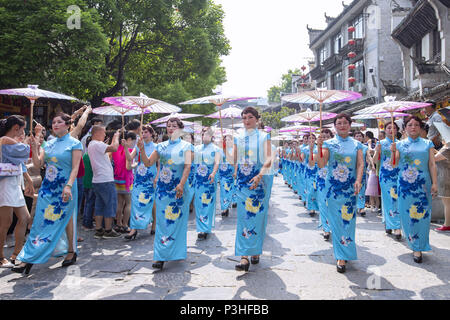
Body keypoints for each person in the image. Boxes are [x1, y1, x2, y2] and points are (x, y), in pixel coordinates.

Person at [12, 113, 82, 274]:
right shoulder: (49, 143)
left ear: (67, 124)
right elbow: (38, 163)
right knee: (39, 221)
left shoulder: (75, 143)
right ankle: (28, 257)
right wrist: (35, 146)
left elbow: (75, 168)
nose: (55, 124)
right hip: (48, 188)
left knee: (68, 219)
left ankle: (71, 251)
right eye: (53, 122)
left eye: (59, 122)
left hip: (66, 187)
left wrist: (69, 186)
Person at [139, 118, 192, 270]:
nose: (170, 128)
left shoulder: (187, 146)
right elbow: (148, 163)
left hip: (179, 189)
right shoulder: (160, 146)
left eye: (174, 126)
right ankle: (160, 255)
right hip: (162, 190)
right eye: (169, 126)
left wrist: (181, 184)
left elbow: (187, 167)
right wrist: (142, 149)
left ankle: (175, 251)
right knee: (163, 222)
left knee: (176, 221)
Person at [316, 113, 363, 273]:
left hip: (350, 188)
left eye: (345, 123)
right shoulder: (328, 144)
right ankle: (340, 256)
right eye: (339, 123)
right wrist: (318, 147)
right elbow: (321, 164)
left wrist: (358, 180)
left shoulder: (357, 144)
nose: (342, 125)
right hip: (334, 188)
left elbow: (360, 165)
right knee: (336, 221)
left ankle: (347, 250)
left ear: (350, 125)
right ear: (335, 126)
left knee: (349, 220)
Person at [391, 115, 438, 263]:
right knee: (407, 215)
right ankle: (414, 245)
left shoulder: (428, 143)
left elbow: (432, 164)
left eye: (416, 125)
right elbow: (394, 165)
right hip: (405, 184)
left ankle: (420, 245)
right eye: (410, 125)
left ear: (420, 127)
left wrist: (435, 183)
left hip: (423, 184)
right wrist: (393, 152)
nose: (413, 127)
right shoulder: (399, 144)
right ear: (405, 128)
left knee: (424, 215)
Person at [231, 107, 272, 272]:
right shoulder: (238, 137)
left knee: (257, 218)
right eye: (244, 118)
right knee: (243, 217)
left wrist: (260, 176)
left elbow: (269, 159)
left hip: (259, 183)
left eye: (249, 117)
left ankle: (255, 250)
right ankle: (243, 257)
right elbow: (233, 159)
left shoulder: (264, 137)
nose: (246, 120)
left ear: (256, 119)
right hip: (242, 183)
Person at [0, 116, 34, 268]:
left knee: (24, 218)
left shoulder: (10, 141)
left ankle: (16, 253)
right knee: (5, 222)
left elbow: (21, 163)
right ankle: (1, 257)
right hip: (5, 184)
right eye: (22, 128)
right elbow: (24, 152)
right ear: (16, 128)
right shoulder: (6, 140)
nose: (23, 132)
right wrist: (26, 142)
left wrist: (29, 180)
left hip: (13, 183)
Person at [124, 126, 159, 240]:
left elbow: (159, 165)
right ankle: (134, 228)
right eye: (142, 132)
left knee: (152, 201)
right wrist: (125, 147)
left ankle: (154, 224)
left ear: (151, 134)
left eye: (146, 132)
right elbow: (130, 158)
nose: (143, 134)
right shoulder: (138, 146)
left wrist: (157, 177)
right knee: (135, 201)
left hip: (151, 178)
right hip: (139, 178)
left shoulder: (156, 147)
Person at [88, 125, 121, 239]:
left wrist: (110, 142)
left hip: (97, 179)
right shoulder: (97, 144)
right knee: (110, 204)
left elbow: (108, 154)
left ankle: (99, 229)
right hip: (105, 179)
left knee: (100, 204)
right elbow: (114, 148)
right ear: (97, 133)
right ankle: (108, 229)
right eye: (103, 132)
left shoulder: (92, 145)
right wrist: (116, 137)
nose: (104, 135)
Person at [373, 121, 401, 239]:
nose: (391, 130)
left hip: (399, 175)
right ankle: (395, 226)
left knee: (398, 200)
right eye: (389, 128)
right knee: (389, 199)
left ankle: (390, 223)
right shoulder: (381, 143)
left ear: (397, 130)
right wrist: (378, 151)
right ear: (385, 130)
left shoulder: (401, 144)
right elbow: (374, 160)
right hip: (385, 176)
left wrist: (395, 151)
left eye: (394, 128)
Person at [193, 127, 220, 240]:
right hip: (198, 180)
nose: (205, 136)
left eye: (207, 134)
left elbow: (217, 162)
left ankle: (206, 227)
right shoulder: (196, 148)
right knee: (199, 204)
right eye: (203, 134)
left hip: (209, 179)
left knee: (208, 203)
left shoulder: (216, 149)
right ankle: (201, 228)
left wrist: (213, 173)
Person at [112, 131, 136, 234]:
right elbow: (128, 166)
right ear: (129, 140)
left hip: (117, 179)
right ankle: (125, 224)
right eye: (133, 141)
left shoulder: (115, 150)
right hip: (126, 180)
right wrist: (136, 164)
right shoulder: (129, 150)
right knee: (128, 203)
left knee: (119, 203)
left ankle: (118, 223)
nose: (134, 143)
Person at [315, 129, 333, 240]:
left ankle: (332, 225)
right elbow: (316, 163)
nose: (325, 138)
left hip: (334, 180)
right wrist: (317, 147)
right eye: (323, 136)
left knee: (331, 204)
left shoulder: (336, 149)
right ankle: (326, 228)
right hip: (321, 180)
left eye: (327, 136)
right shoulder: (319, 149)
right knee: (322, 204)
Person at [218, 134, 236, 217]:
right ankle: (224, 208)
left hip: (230, 173)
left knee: (229, 190)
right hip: (222, 173)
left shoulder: (234, 150)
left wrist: (235, 171)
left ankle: (228, 205)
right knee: (223, 191)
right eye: (226, 140)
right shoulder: (220, 150)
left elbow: (235, 162)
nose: (227, 141)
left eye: (229, 139)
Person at [435, 139, 450, 232]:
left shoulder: (447, 148)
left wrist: (430, 149)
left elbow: (434, 158)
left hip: (446, 178)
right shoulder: (446, 148)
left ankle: (447, 224)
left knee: (447, 203)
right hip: (445, 176)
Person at [353, 131, 369, 217]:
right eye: (357, 136)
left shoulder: (365, 147)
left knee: (361, 189)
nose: (358, 137)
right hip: (352, 171)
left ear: (363, 138)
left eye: (360, 136)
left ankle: (361, 207)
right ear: (354, 137)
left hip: (362, 170)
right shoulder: (351, 147)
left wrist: (371, 165)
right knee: (353, 188)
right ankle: (354, 205)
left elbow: (368, 157)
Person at [81, 137, 95, 230]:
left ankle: (85, 221)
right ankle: (87, 223)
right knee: (90, 203)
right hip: (91, 182)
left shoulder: (85, 155)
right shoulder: (91, 156)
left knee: (87, 202)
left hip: (85, 182)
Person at [304, 134, 318, 216]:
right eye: (309, 138)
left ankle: (316, 206)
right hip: (309, 172)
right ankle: (311, 208)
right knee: (311, 189)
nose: (311, 139)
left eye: (313, 138)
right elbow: (302, 160)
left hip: (319, 171)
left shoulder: (319, 148)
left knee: (316, 190)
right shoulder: (305, 149)